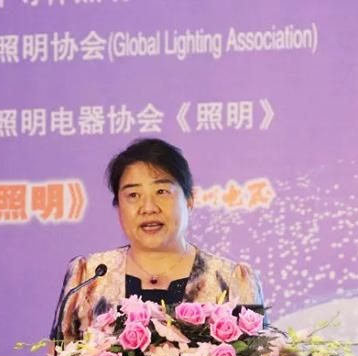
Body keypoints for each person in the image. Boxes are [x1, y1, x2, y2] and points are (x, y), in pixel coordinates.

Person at [49, 138, 265, 342]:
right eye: (133, 195)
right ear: (118, 206)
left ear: (189, 200)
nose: (148, 208)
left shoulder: (232, 280)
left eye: (162, 191)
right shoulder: (89, 277)